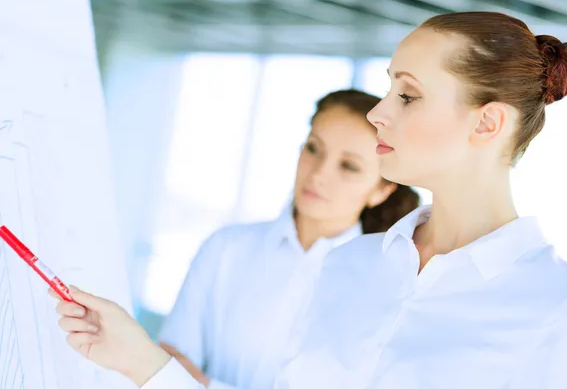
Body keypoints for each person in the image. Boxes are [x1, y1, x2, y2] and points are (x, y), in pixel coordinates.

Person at [53, 11, 567, 389]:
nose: (378, 113)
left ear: (487, 122)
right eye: (388, 89)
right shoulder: (350, 266)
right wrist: (139, 358)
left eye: (407, 95)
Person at [156, 89, 420, 389]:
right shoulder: (226, 249)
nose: (319, 173)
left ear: (381, 191)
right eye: (313, 149)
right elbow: (166, 367)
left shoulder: (389, 284)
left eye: (349, 166)